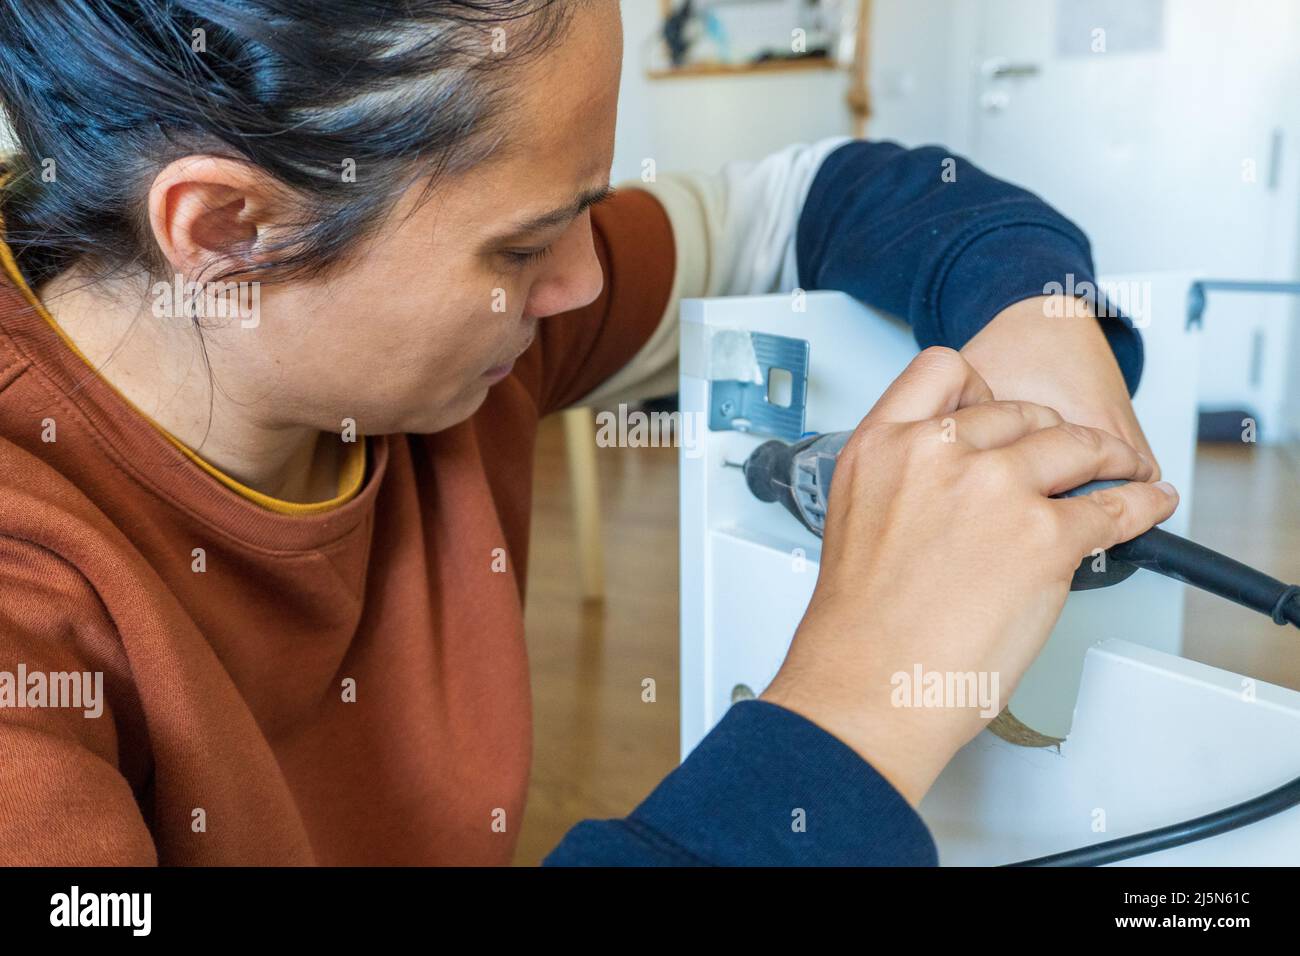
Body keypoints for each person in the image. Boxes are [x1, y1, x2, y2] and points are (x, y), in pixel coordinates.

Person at [0, 0, 1174, 866]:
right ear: (226, 231)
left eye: (584, 213)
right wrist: (855, 710)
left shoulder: (461, 346)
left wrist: (1030, 310)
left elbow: (822, 196)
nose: (577, 281)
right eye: (518, 246)